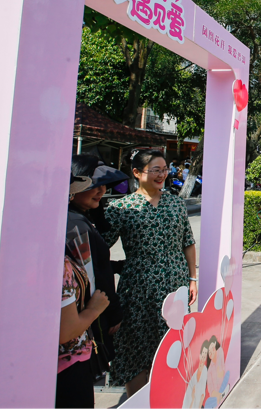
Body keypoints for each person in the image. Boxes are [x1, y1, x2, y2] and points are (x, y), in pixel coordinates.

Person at [100, 149, 198, 396]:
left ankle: (167, 397)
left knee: (171, 344)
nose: (162, 175)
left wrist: (192, 278)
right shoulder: (121, 208)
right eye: (155, 170)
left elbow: (187, 242)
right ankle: (137, 400)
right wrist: (115, 268)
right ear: (136, 172)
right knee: (136, 345)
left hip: (174, 287)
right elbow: (99, 248)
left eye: (164, 169)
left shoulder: (176, 204)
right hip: (137, 290)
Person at [67, 154, 128, 377]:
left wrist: (116, 266)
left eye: (104, 185)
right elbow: (92, 275)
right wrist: (113, 312)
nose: (101, 191)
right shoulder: (76, 225)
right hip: (84, 320)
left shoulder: (78, 220)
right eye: (94, 185)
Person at [58, 175, 112, 409]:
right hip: (67, 366)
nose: (100, 191)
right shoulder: (58, 262)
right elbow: (67, 331)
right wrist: (95, 310)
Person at [204, 336, 230, 409]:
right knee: (208, 403)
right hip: (216, 395)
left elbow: (222, 374)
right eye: (209, 351)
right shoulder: (209, 371)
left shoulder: (219, 355)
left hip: (223, 387)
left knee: (227, 374)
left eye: (212, 349)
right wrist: (219, 395)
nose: (211, 352)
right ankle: (221, 396)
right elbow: (211, 391)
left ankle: (222, 394)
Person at [182, 341, 209, 409]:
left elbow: (202, 394)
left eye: (205, 353)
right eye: (203, 352)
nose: (204, 356)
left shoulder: (204, 370)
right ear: (200, 355)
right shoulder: (194, 374)